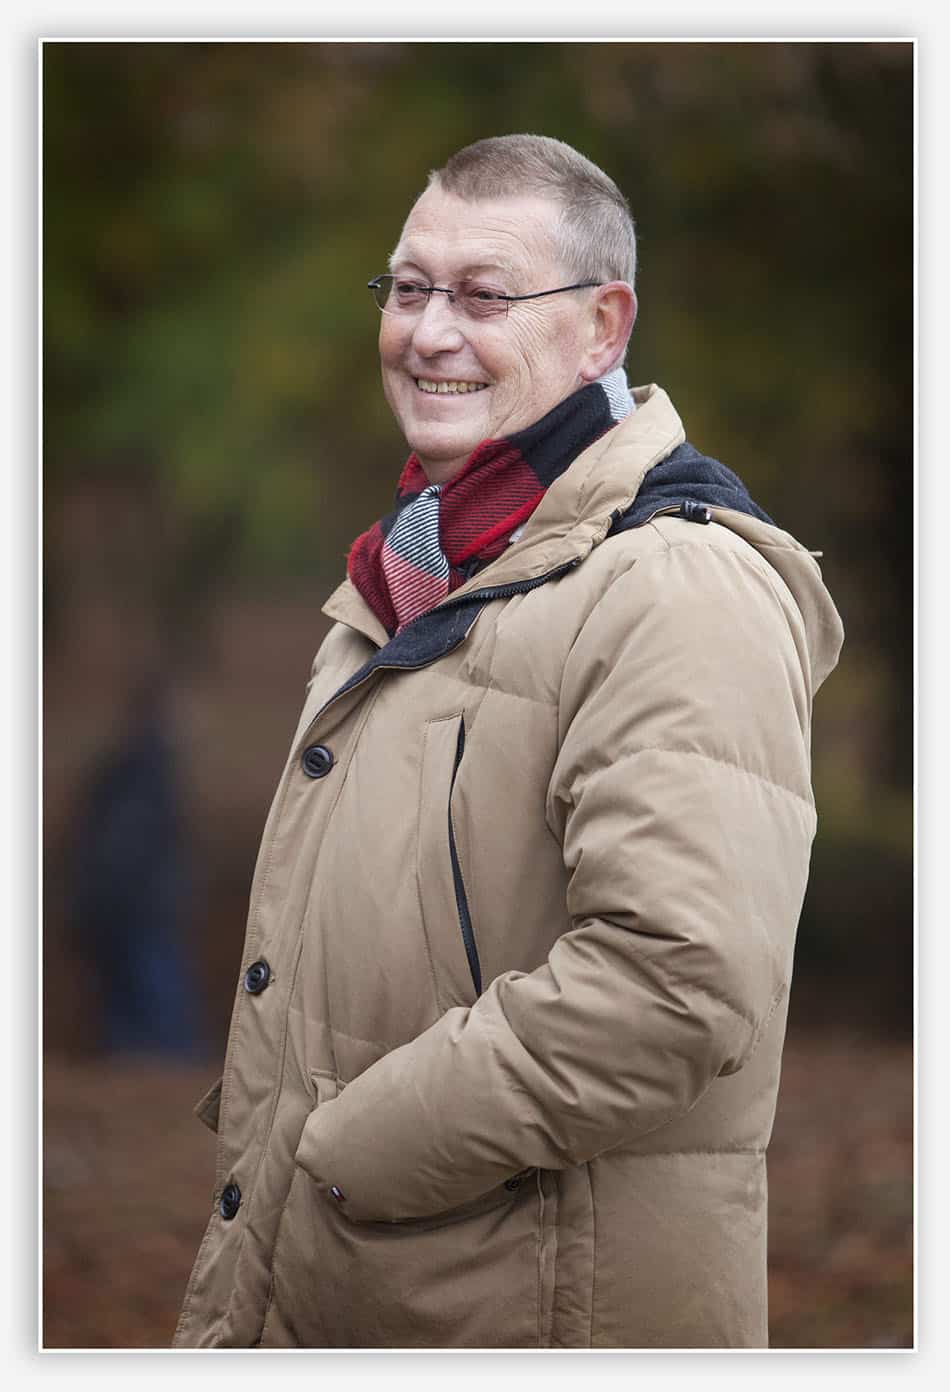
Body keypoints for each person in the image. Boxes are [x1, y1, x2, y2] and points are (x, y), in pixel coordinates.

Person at [174, 134, 843, 1349]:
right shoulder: (409, 580)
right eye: (407, 288)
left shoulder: (673, 586)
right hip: (359, 1296)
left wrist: (348, 1155)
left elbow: (673, 982)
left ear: (600, 328)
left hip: (529, 1320)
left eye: (482, 296)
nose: (427, 332)